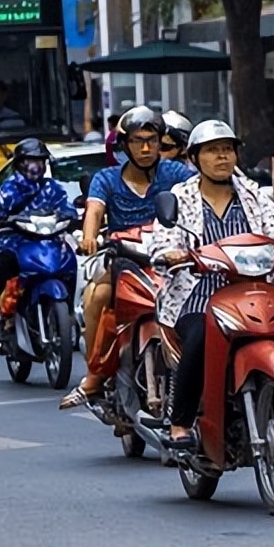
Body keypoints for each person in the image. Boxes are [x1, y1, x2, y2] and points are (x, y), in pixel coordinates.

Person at [150, 121, 274, 449]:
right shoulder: (181, 197)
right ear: (194, 158)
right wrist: (171, 253)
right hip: (199, 292)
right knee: (198, 337)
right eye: (212, 151)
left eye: (227, 149)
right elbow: (162, 239)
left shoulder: (255, 195)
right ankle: (180, 421)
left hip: (256, 288)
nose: (222, 157)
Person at [59, 106, 197, 409]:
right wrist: (89, 236)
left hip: (170, 257)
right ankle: (95, 374)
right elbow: (94, 211)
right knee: (98, 296)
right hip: (124, 256)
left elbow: (199, 194)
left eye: (152, 139)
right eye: (138, 141)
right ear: (125, 145)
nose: (146, 148)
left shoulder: (176, 173)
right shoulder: (106, 179)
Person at [0, 139, 76, 337]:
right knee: (4, 261)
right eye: (31, 161)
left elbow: (66, 207)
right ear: (20, 163)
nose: (36, 166)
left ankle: (70, 311)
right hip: (15, 242)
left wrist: (71, 215)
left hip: (47, 240)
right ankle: (6, 317)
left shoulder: (52, 187)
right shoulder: (8, 189)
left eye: (40, 161)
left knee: (70, 261)